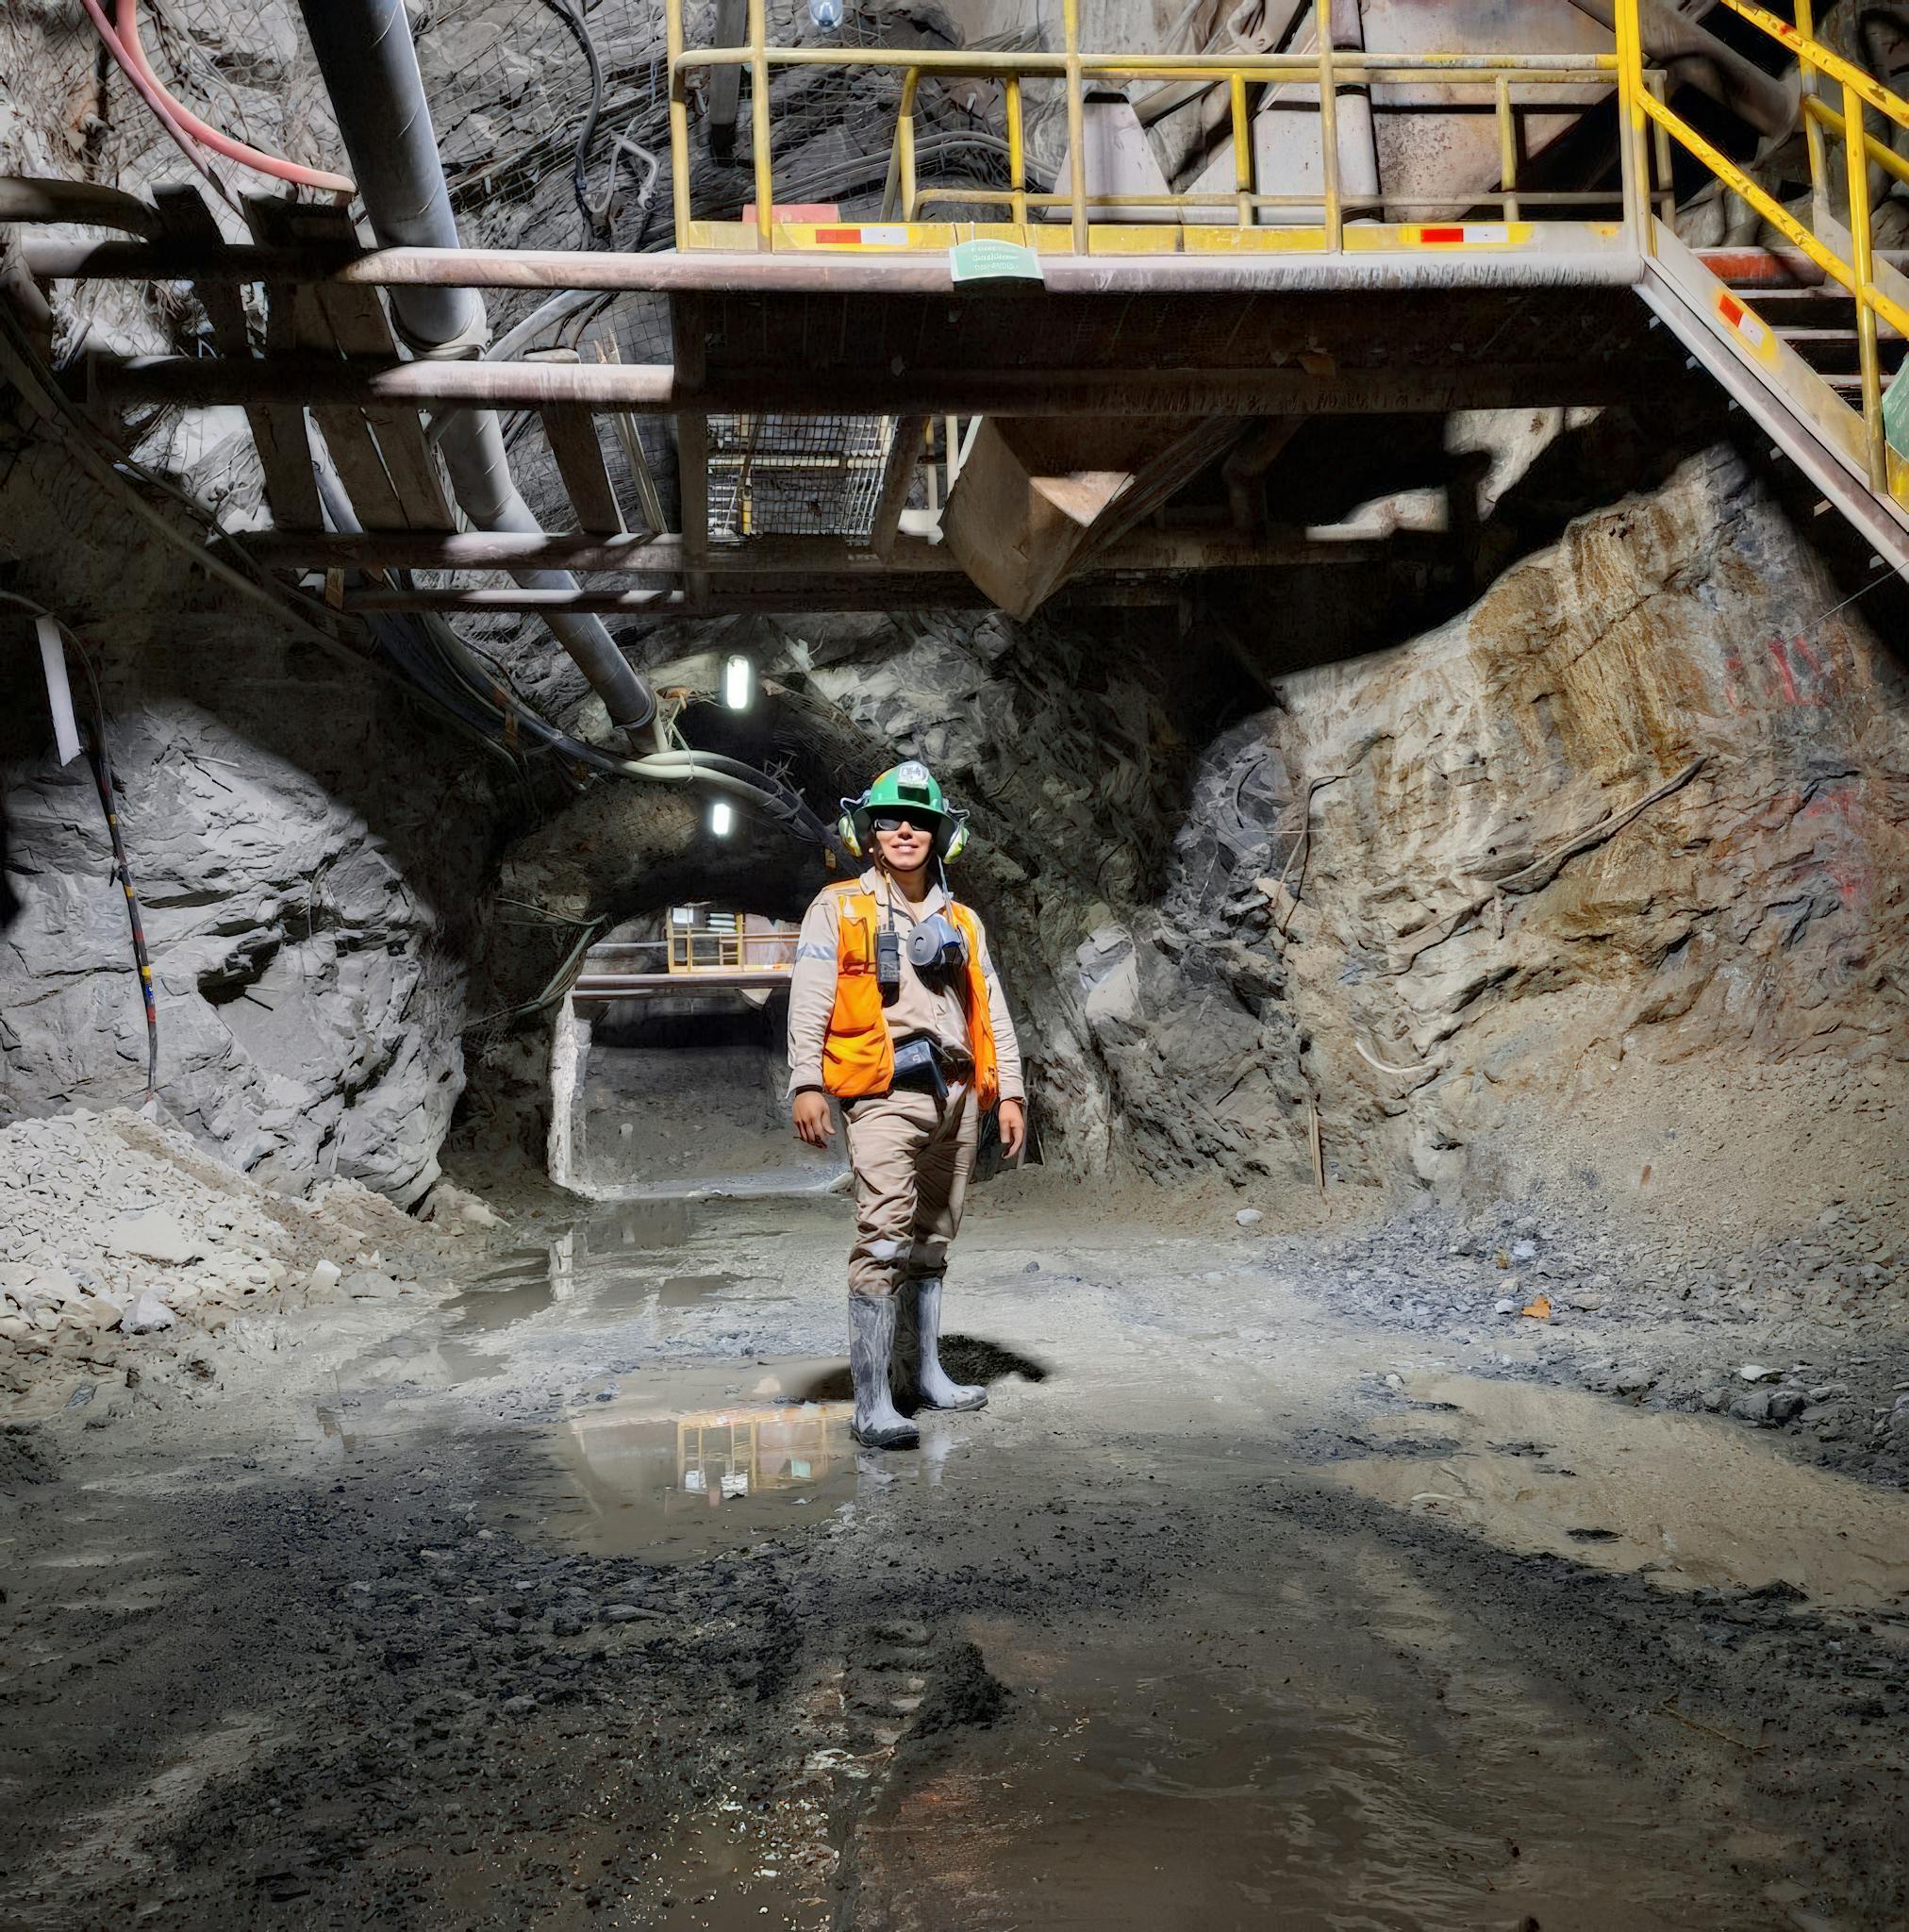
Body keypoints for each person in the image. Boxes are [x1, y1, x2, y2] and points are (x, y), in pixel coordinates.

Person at [786, 761, 1027, 1449]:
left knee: (933, 1240)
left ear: (942, 836)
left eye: (920, 821)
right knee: (885, 1237)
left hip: (955, 1093)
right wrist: (806, 1081)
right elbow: (810, 1001)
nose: (904, 831)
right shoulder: (840, 907)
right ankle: (871, 1404)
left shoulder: (965, 922)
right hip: (883, 1093)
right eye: (890, 819)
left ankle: (924, 1377)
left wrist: (1008, 1091)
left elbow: (994, 1012)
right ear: (867, 831)